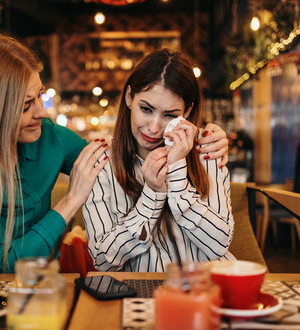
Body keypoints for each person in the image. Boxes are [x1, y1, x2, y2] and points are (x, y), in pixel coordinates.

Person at [0, 35, 230, 273]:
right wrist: (69, 202)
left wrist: (206, 137)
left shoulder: (51, 139)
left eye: (39, 95)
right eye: (26, 105)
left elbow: (118, 156)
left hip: (30, 287)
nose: (43, 111)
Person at [83, 49, 235, 272]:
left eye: (170, 115)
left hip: (206, 290)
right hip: (140, 294)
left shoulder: (207, 148)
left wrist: (178, 178)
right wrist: (152, 195)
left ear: (187, 111)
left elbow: (219, 244)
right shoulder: (102, 162)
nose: (154, 128)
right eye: (146, 109)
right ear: (128, 97)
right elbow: (104, 260)